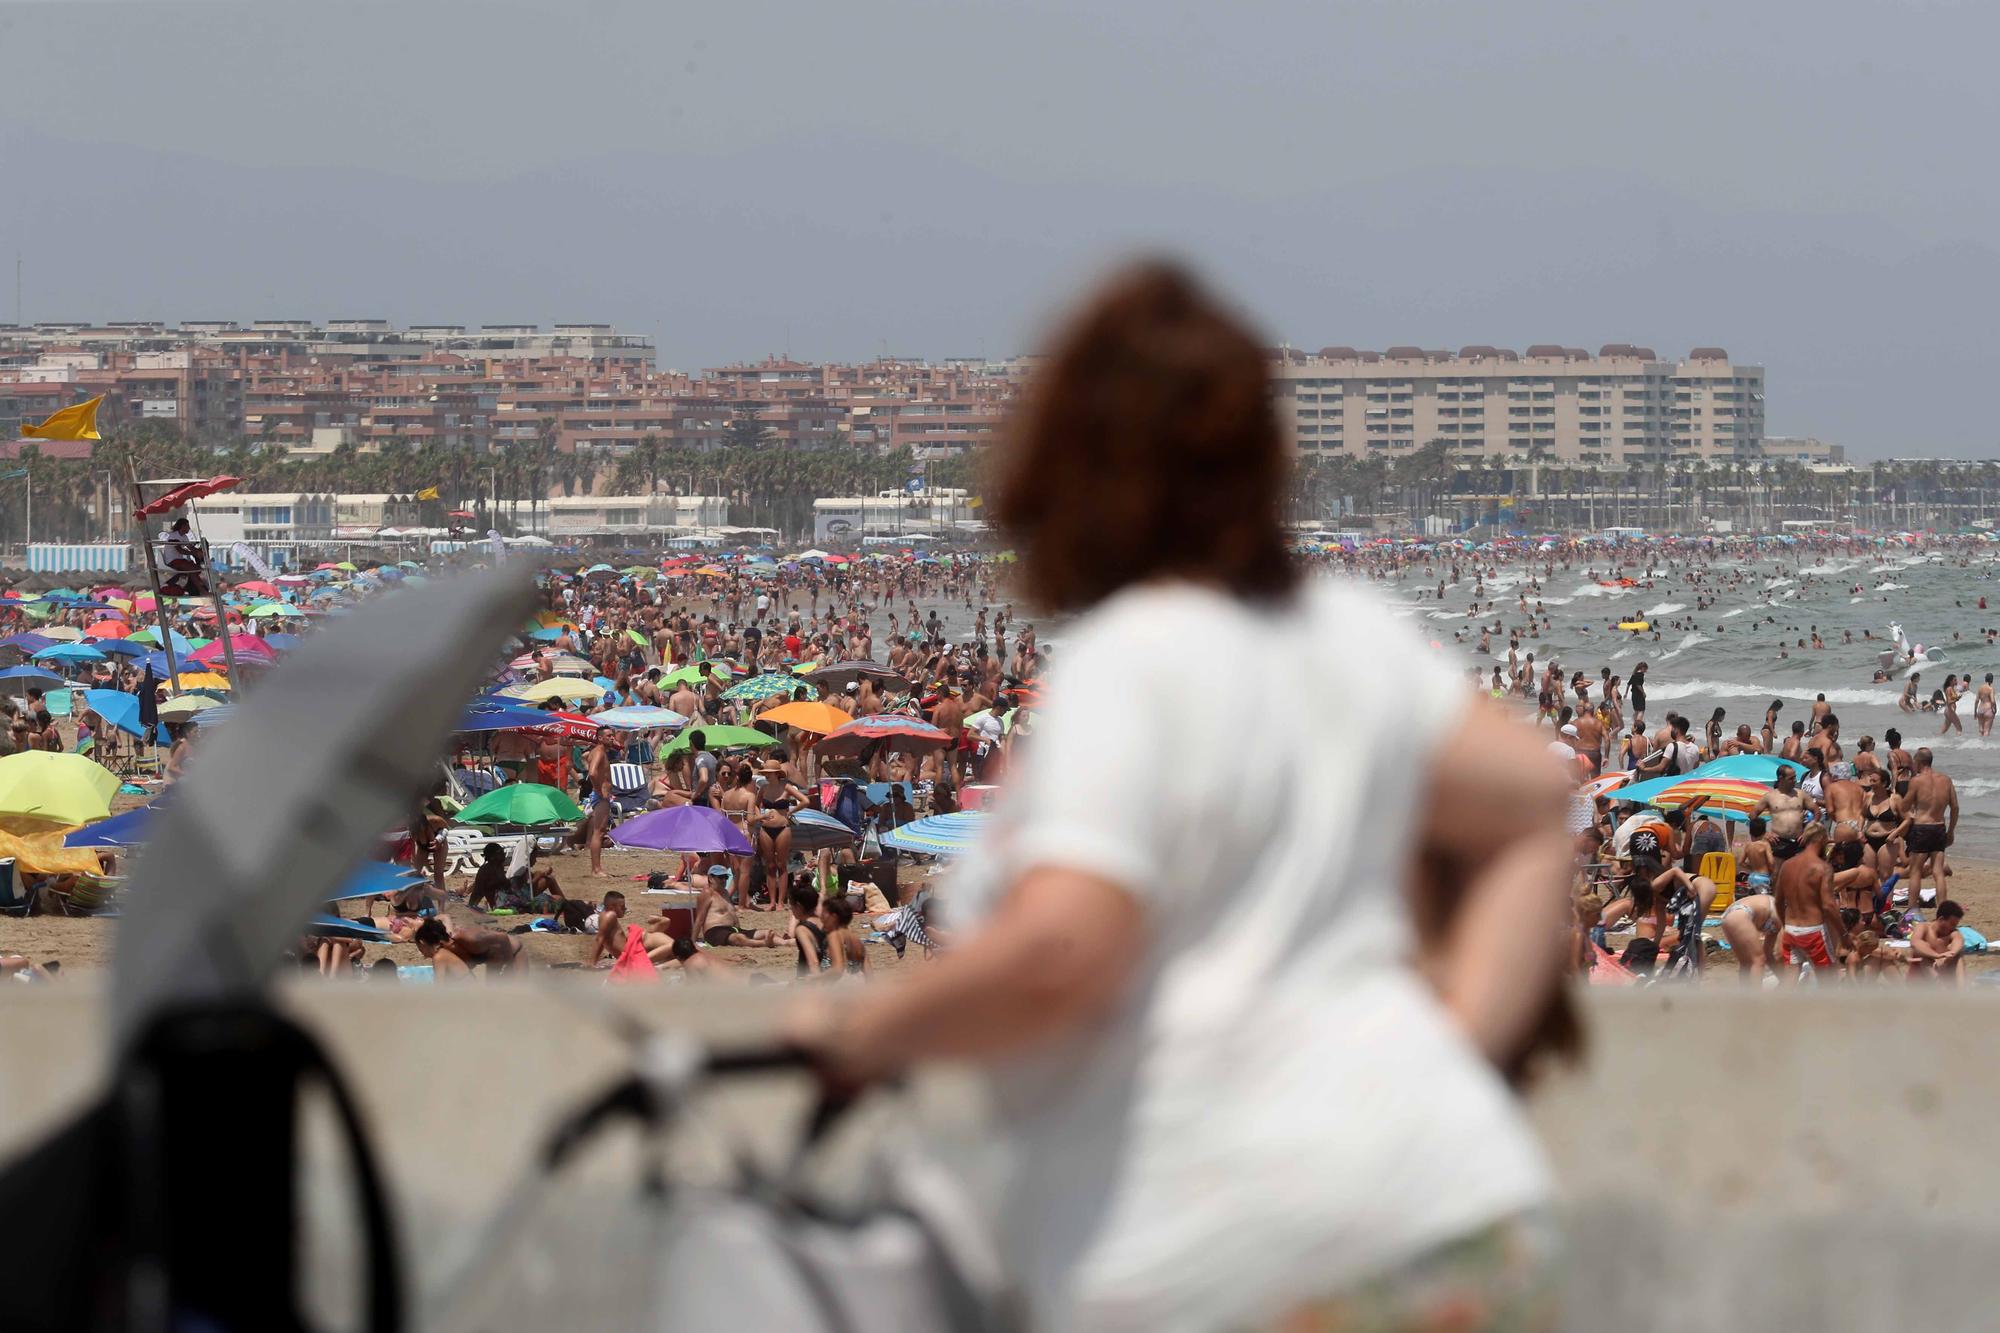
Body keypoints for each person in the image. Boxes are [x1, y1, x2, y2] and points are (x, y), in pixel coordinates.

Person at [781, 264, 1570, 1329]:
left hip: (1223, 1262)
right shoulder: (1350, 635)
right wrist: (1453, 1046)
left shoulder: (1133, 657)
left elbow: (1065, 947)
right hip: (1453, 1207)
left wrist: (870, 1031)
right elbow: (1533, 800)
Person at [1775, 824, 1843, 974]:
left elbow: (1778, 901)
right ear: (1820, 838)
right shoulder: (1822, 868)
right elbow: (1828, 905)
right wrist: (1843, 934)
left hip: (1791, 929)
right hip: (1813, 930)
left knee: (1790, 979)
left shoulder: (1787, 865)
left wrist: (1785, 925)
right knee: (1827, 977)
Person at [1904, 746, 1958, 912]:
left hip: (1922, 827)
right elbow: (1955, 807)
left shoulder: (1917, 781)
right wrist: (1951, 831)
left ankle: (1912, 910)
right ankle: (1942, 910)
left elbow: (1905, 804)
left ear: (1919, 762)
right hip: (1939, 827)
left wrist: (1901, 803)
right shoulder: (1946, 780)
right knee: (1938, 872)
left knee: (1915, 871)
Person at [412, 918, 522, 978]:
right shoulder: (446, 952)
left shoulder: (465, 938)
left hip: (514, 953)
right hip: (494, 959)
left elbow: (502, 937)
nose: (423, 955)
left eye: (421, 949)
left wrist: (510, 964)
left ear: (424, 942)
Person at [1908, 900, 1968, 984]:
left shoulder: (1952, 932)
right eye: (1952, 924)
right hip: (1920, 980)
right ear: (1941, 919)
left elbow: (1958, 940)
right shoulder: (1923, 927)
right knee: (1922, 952)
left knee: (1958, 955)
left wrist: (1951, 954)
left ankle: (1962, 991)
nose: (1953, 927)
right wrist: (1937, 956)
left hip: (1943, 973)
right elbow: (1915, 943)